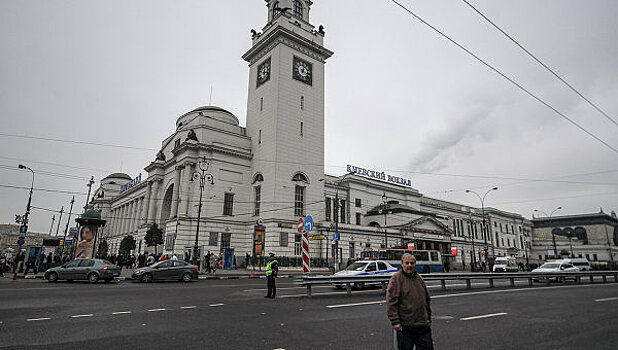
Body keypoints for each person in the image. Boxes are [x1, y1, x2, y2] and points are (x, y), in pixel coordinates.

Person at [386, 253, 433, 350]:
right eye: (407, 263)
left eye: (412, 263)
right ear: (402, 264)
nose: (409, 265)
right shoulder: (396, 279)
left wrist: (428, 317)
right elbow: (391, 301)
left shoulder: (419, 278)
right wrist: (395, 322)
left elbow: (426, 299)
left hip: (422, 324)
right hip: (405, 325)